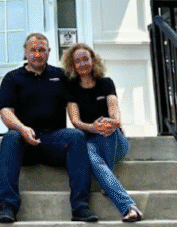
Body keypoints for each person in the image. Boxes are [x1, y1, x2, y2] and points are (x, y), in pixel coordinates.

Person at [0, 33, 98, 223]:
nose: (37, 54)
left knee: (76, 136)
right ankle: (8, 206)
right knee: (10, 138)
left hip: (54, 140)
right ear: (26, 52)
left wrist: (99, 125)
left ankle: (80, 206)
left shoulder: (60, 76)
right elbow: (5, 112)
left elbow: (76, 106)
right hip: (24, 142)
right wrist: (22, 128)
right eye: (33, 50)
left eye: (41, 50)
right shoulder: (12, 78)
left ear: (49, 52)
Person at [62, 43, 144, 223]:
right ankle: (129, 207)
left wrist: (110, 123)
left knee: (108, 131)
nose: (82, 64)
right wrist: (92, 127)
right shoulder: (71, 88)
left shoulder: (106, 83)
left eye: (86, 59)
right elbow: (75, 121)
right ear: (72, 65)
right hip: (90, 140)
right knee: (90, 156)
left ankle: (109, 180)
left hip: (115, 141)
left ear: (93, 60)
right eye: (77, 61)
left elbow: (115, 114)